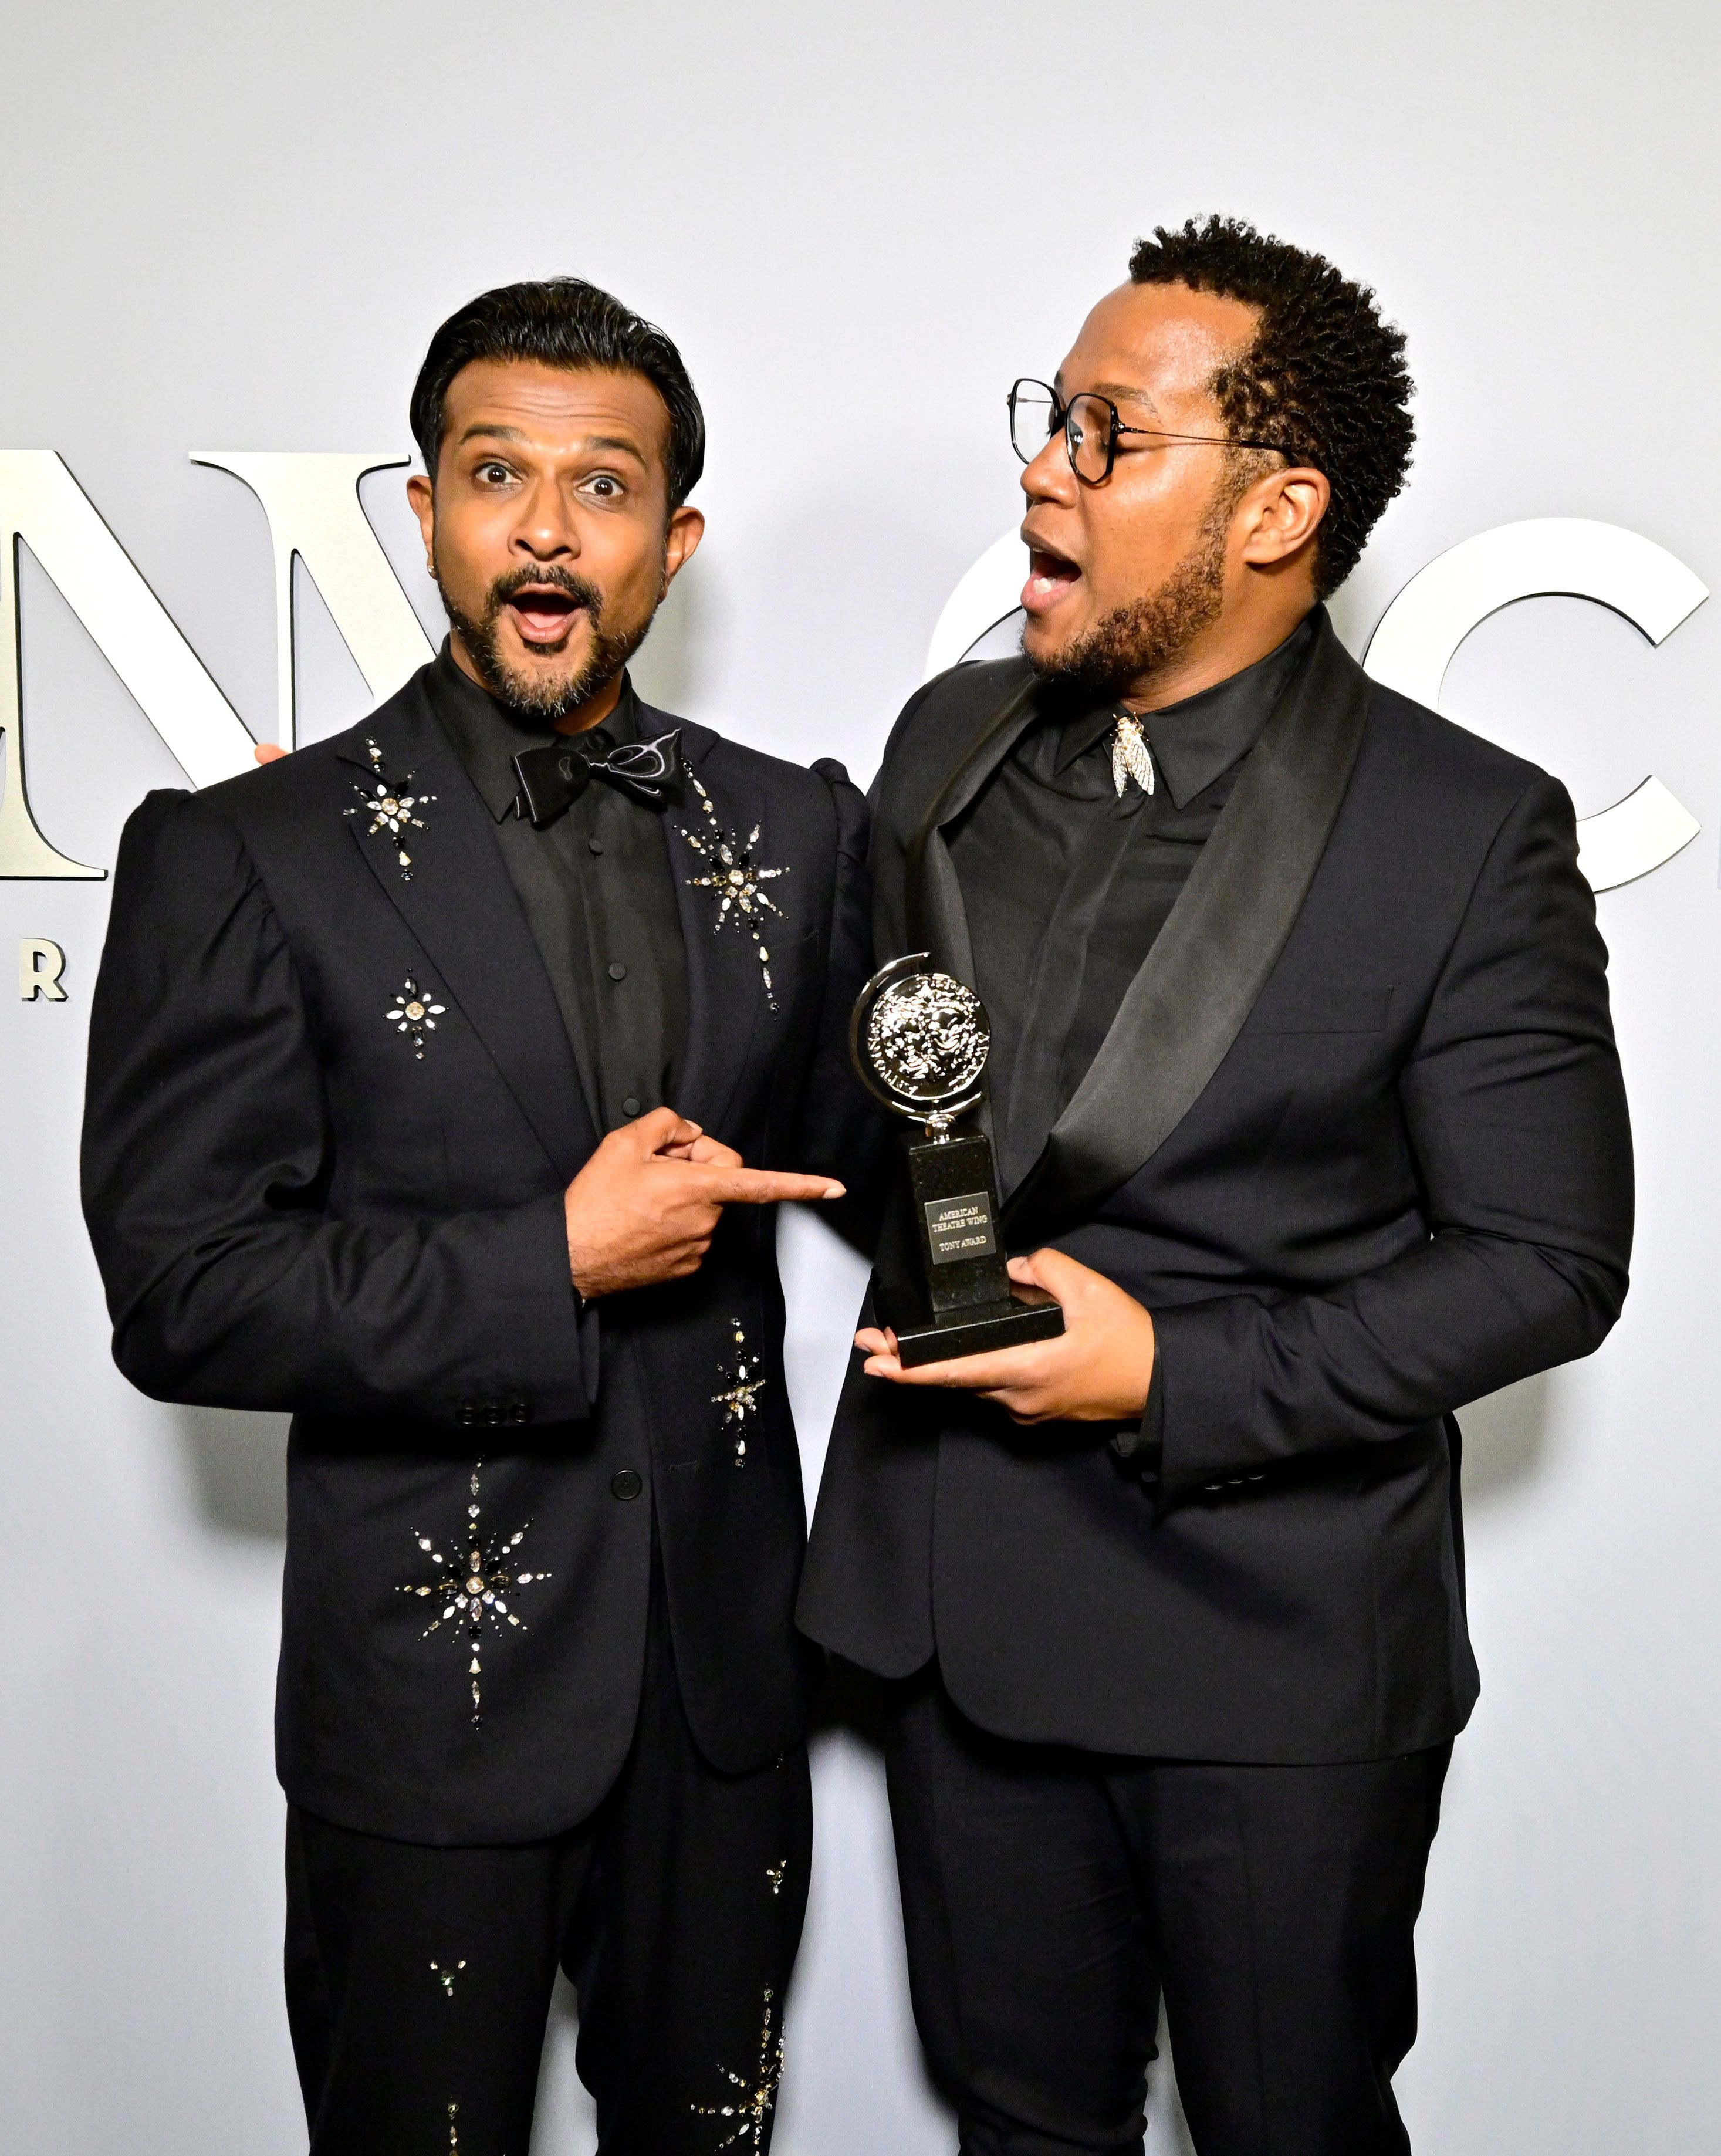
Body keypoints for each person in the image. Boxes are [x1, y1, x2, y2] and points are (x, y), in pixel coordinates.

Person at [799, 216, 1634, 2154]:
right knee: (1020, 2127)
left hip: (1270, 1657)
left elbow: (1544, 1261)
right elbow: (894, 1122)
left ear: (1276, 510)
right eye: (1050, 417)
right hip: (956, 1619)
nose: (1042, 468)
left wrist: (1169, 1373)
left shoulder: (1465, 828)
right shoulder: (952, 745)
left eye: (1107, 433)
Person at [82, 276, 876, 2155]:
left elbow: (913, 1167)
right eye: (494, 472)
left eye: (602, 485)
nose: (544, 523)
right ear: (424, 509)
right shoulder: (245, 852)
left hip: (722, 1705)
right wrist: (553, 1266)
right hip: (424, 1703)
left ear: (670, 539)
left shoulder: (800, 829)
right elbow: (183, 1293)